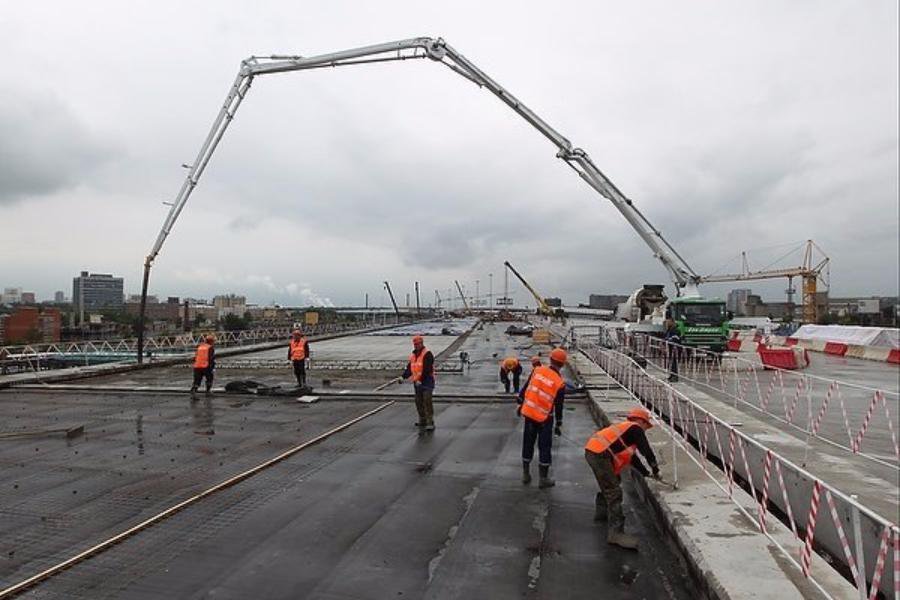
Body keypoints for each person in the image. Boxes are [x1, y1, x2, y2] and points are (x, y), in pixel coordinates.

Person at [584, 406, 660, 550]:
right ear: (640, 421)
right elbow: (646, 451)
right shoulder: (635, 428)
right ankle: (616, 533)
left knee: (613, 481)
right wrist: (655, 468)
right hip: (599, 454)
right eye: (646, 425)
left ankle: (602, 512)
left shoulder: (626, 433)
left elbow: (633, 459)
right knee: (614, 491)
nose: (645, 430)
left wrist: (646, 473)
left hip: (595, 451)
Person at [517, 347, 567, 488]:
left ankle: (525, 474)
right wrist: (559, 423)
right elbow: (559, 406)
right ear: (562, 364)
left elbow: (526, 389)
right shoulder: (559, 383)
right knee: (545, 447)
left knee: (527, 443)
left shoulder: (537, 371)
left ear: (550, 359)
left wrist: (520, 403)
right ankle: (543, 479)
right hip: (545, 418)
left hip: (530, 415)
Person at [400, 335, 435, 431]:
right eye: (415, 344)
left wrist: (421, 379)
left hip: (427, 382)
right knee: (418, 402)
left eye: (418, 344)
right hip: (417, 383)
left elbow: (427, 369)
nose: (416, 346)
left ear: (422, 343)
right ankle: (422, 420)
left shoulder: (427, 354)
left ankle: (430, 422)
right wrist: (403, 377)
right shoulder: (413, 356)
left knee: (427, 401)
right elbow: (409, 369)